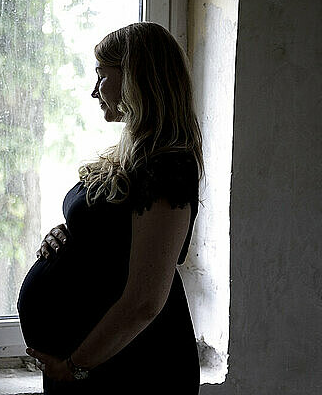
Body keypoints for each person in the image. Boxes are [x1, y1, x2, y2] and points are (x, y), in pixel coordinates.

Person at [17, 21, 203, 394]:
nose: (93, 91)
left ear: (136, 79)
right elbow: (109, 239)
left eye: (102, 76)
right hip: (96, 363)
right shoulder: (133, 156)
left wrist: (75, 365)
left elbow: (144, 302)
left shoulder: (167, 169)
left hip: (132, 368)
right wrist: (65, 236)